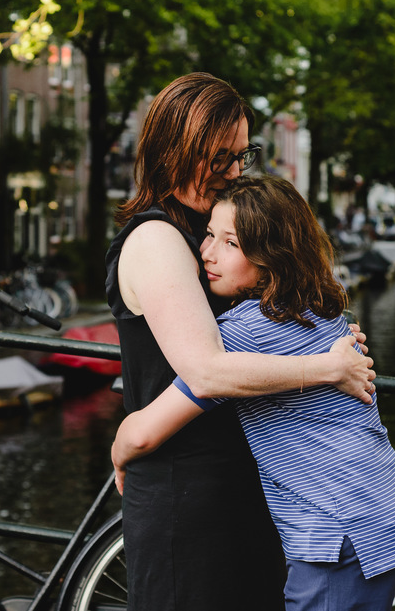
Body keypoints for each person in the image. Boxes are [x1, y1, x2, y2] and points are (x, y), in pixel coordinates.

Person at [106, 73, 376, 611]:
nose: (233, 172)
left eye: (241, 156)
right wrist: (326, 367)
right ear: (173, 151)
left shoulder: (219, 230)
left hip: (247, 489)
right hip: (188, 498)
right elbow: (206, 371)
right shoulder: (157, 239)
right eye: (218, 158)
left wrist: (325, 338)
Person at [112, 174, 395, 611]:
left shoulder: (242, 336)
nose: (208, 253)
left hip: (336, 538)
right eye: (208, 236)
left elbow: (148, 430)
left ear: (271, 257)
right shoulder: (321, 311)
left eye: (231, 244)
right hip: (379, 520)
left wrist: (121, 447)